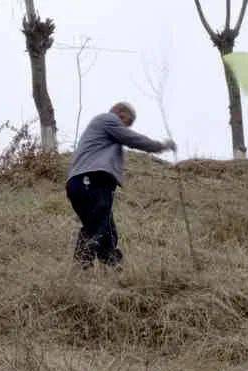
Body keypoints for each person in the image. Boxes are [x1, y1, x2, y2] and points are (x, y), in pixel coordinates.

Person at [67, 102, 176, 269]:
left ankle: (113, 266)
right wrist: (161, 146)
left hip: (82, 182)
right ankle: (80, 267)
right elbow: (132, 139)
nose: (126, 126)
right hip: (91, 179)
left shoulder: (102, 133)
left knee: (107, 229)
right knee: (97, 225)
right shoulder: (107, 119)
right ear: (119, 112)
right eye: (127, 121)